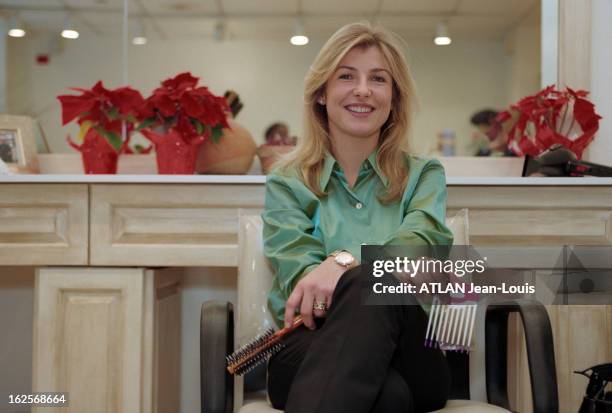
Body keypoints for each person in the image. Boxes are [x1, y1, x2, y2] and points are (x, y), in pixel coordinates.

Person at [261, 22, 454, 413]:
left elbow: (421, 245)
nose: (363, 89)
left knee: (372, 278)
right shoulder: (287, 181)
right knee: (388, 396)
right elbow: (303, 285)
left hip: (413, 351)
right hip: (309, 344)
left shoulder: (424, 175)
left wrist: (345, 262)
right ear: (321, 93)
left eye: (378, 79)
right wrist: (355, 267)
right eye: (346, 76)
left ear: (393, 98)